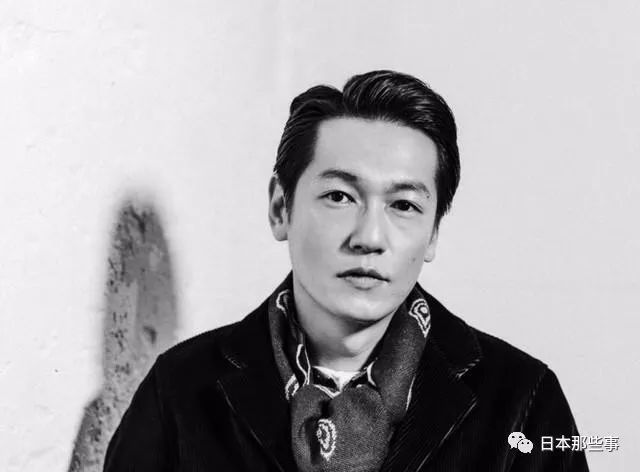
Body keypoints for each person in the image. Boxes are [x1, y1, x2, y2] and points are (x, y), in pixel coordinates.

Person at [103, 70, 589, 471]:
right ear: (280, 208)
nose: (369, 237)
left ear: (433, 234)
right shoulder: (180, 390)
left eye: (403, 205)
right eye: (339, 196)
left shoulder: (523, 401)